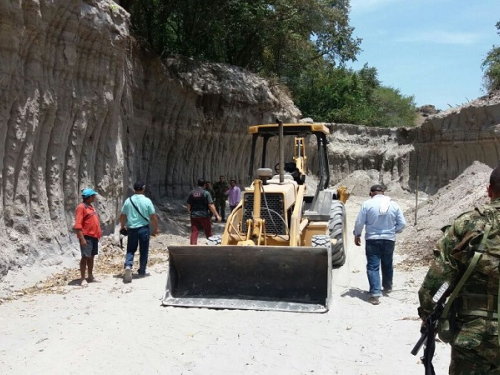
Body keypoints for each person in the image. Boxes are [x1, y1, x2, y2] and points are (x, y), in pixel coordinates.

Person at [418, 165, 500, 374]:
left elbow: (439, 281)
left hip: (474, 336)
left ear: (489, 190)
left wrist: (429, 315)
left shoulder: (470, 224)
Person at [353, 184, 406, 305]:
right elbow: (402, 223)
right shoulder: (393, 204)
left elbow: (360, 222)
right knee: (387, 263)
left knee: (373, 266)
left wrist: (357, 234)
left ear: (371, 193)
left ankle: (375, 293)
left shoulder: (367, 204)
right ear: (383, 193)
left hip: (373, 239)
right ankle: (387, 287)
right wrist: (393, 231)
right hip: (389, 239)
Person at [120, 180, 159, 283]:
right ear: (143, 188)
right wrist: (156, 228)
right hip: (143, 229)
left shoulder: (128, 201)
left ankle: (128, 265)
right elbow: (153, 216)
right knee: (144, 250)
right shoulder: (147, 201)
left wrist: (122, 226)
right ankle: (142, 270)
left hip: (131, 229)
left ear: (134, 189)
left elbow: (123, 215)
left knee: (131, 249)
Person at [73, 188, 102, 287]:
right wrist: (82, 238)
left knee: (92, 256)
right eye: (93, 196)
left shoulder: (90, 207)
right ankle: (82, 278)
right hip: (87, 236)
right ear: (89, 197)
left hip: (93, 236)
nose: (94, 197)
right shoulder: (81, 207)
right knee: (85, 257)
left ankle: (90, 276)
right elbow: (78, 224)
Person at [187, 178, 221, 245]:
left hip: (194, 215)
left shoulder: (192, 193)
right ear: (205, 185)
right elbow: (211, 205)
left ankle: (193, 247)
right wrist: (217, 215)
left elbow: (188, 206)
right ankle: (211, 245)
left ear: (197, 184)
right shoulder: (206, 193)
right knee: (208, 231)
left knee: (194, 231)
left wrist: (189, 211)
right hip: (204, 215)